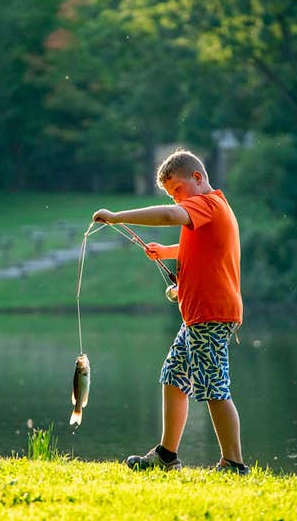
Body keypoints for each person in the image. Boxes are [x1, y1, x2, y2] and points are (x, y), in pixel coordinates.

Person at [92, 149, 248, 475]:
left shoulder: (207, 204)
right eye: (171, 195)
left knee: (214, 387)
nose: (176, 199)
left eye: (177, 190)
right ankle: (166, 455)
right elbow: (201, 247)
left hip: (211, 315)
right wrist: (166, 251)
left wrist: (117, 217)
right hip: (197, 317)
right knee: (173, 377)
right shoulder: (211, 210)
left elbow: (168, 216)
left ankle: (233, 463)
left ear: (197, 177)